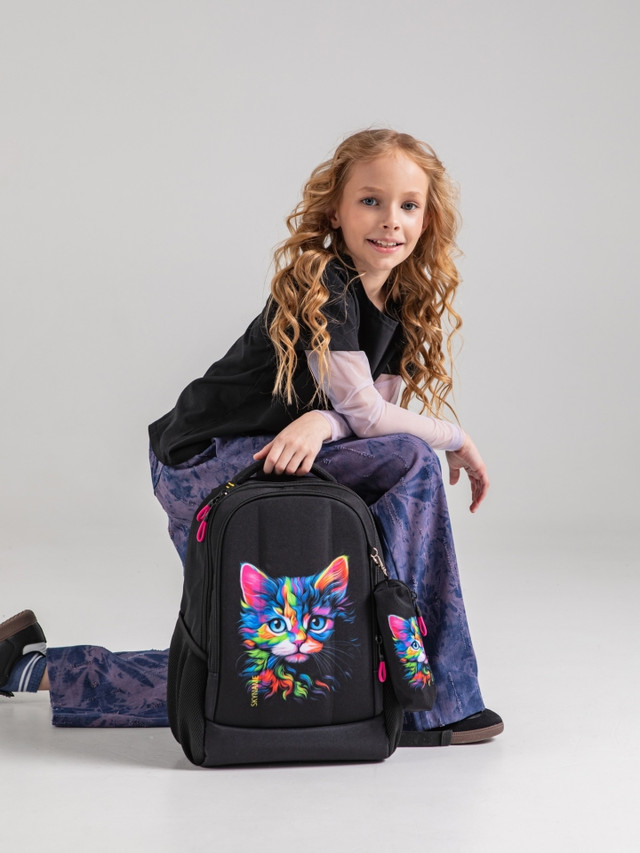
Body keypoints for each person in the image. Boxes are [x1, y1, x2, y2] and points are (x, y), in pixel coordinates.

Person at [0, 129, 503, 745]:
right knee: (414, 460)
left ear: (428, 219)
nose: (390, 220)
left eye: (409, 205)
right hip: (205, 460)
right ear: (336, 212)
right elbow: (371, 420)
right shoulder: (325, 281)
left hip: (276, 451)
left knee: (271, 658)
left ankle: (30, 668)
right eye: (370, 201)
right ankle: (432, 700)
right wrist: (455, 437)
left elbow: (367, 420)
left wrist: (321, 421)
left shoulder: (399, 300)